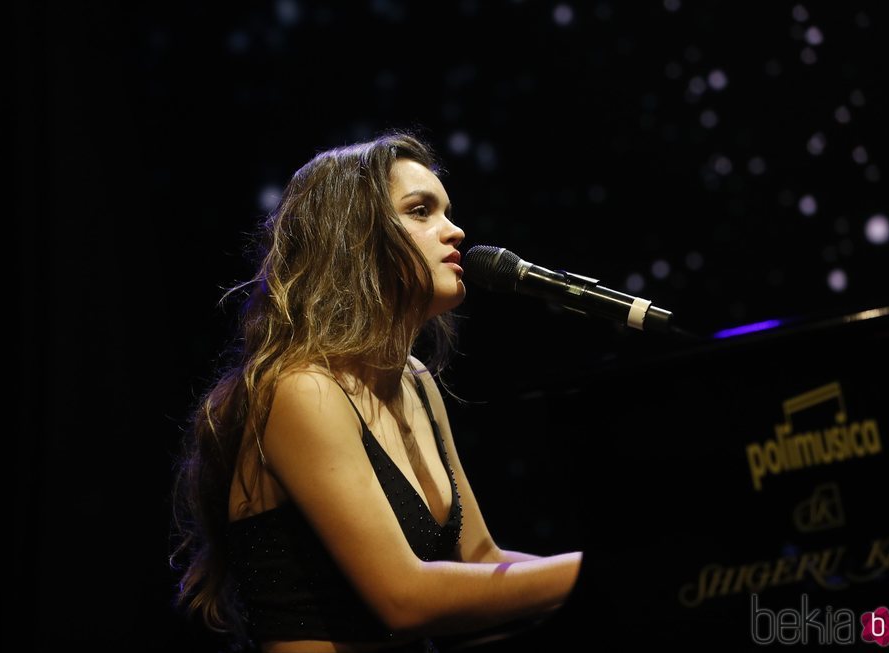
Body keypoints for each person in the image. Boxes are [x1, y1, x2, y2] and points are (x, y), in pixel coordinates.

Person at [170, 130, 582, 653]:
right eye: (420, 211)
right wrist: (595, 573)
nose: (455, 231)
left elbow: (479, 561)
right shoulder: (303, 389)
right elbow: (403, 598)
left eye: (447, 211)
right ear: (355, 238)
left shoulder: (415, 382)